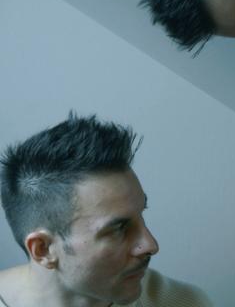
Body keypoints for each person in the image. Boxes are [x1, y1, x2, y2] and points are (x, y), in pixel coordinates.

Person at [0, 114, 212, 307]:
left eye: (142, 214)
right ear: (43, 249)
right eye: (118, 228)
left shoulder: (185, 302)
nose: (151, 245)